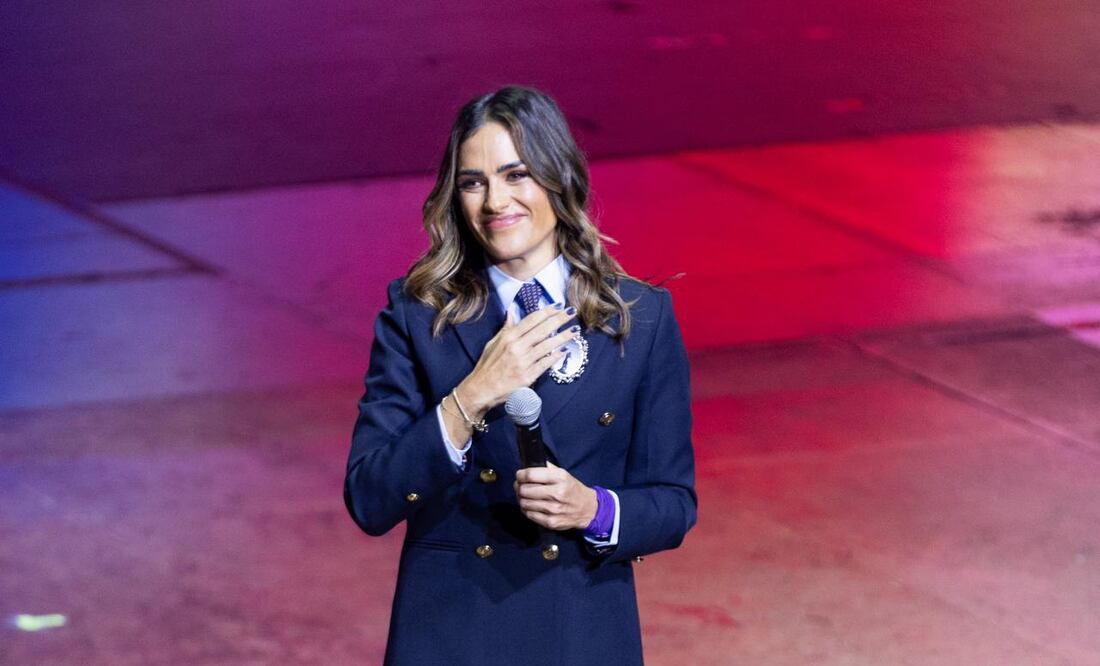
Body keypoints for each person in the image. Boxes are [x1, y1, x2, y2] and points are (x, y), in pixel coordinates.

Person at [344, 85, 696, 666]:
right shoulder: (418, 315)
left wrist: (593, 509)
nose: (495, 202)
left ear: (559, 177)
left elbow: (673, 503)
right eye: (473, 182)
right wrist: (471, 396)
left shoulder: (639, 319)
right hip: (451, 633)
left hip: (579, 632)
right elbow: (370, 498)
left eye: (516, 175)